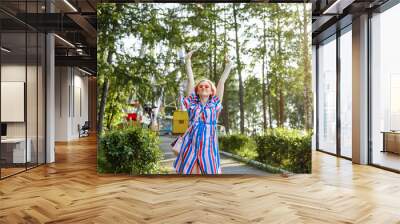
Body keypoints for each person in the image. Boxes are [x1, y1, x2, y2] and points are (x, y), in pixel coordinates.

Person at [173, 48, 234, 174]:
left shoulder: (214, 103)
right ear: (197, 91)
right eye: (201, 86)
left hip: (208, 145)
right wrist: (188, 61)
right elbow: (190, 79)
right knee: (190, 173)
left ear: (211, 91)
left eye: (207, 86)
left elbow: (222, 82)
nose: (203, 87)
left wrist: (229, 65)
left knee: (209, 175)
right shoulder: (193, 102)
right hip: (191, 143)